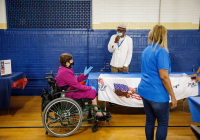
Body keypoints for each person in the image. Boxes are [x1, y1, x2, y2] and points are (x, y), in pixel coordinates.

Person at [137, 25, 177, 140]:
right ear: (163, 36)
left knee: (150, 120)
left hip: (145, 91)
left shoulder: (146, 50)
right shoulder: (161, 51)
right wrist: (173, 96)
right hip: (157, 94)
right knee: (163, 123)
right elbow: (164, 77)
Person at [108, 23, 133, 105]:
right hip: (114, 65)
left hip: (124, 66)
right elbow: (110, 50)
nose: (118, 32)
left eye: (121, 30)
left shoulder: (129, 40)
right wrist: (115, 42)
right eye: (118, 30)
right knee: (113, 83)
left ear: (125, 31)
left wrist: (126, 64)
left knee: (123, 83)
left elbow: (129, 54)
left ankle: (123, 101)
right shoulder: (113, 37)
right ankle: (113, 101)